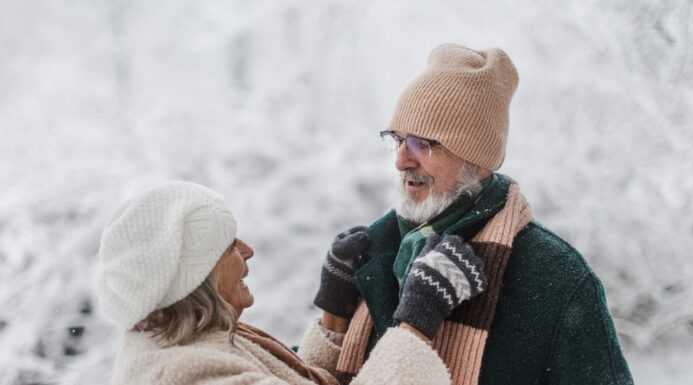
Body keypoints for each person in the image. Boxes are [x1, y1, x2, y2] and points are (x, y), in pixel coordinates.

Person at [312, 44, 634, 384]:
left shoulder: (556, 275)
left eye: (422, 143)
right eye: (398, 139)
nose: (401, 160)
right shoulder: (372, 254)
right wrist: (332, 317)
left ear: (476, 157)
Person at [98, 181, 479, 384]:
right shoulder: (183, 374)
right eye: (229, 245)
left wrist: (334, 317)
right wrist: (415, 323)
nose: (248, 251)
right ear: (193, 276)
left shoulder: (184, 339)